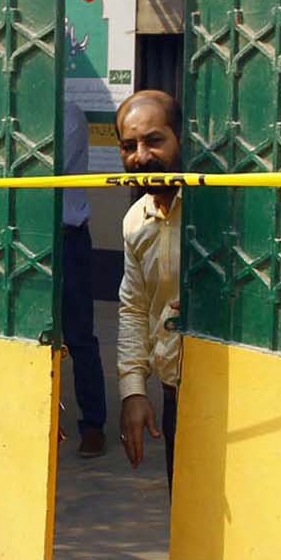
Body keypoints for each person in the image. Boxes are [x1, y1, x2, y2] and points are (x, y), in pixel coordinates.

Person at [115, 89, 184, 490]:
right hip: (173, 391)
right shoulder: (134, 220)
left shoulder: (217, 205)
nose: (140, 157)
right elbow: (133, 308)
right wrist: (133, 391)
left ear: (180, 139)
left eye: (154, 141)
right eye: (129, 146)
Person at [60, 95, 107, 456]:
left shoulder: (67, 112)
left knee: (79, 336)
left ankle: (93, 424)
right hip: (26, 236)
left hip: (67, 238)